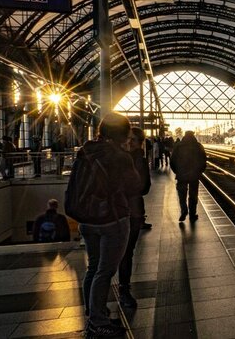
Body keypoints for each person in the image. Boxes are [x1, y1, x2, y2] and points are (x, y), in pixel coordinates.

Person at [70, 113, 141, 337]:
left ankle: (92, 313)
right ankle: (97, 322)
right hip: (112, 220)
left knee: (92, 268)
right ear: (123, 132)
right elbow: (135, 187)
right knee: (105, 271)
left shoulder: (86, 151)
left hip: (87, 219)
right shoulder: (119, 156)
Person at [118, 127, 151, 309]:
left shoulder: (138, 160)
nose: (130, 143)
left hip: (132, 213)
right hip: (123, 212)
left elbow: (144, 186)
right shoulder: (125, 158)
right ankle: (96, 307)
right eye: (128, 139)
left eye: (134, 140)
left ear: (140, 143)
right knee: (109, 258)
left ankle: (123, 289)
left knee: (126, 253)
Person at [170, 131, 206, 222]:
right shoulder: (198, 146)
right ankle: (192, 214)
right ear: (193, 135)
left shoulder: (178, 146)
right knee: (193, 195)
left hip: (181, 175)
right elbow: (204, 160)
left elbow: (172, 160)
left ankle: (184, 210)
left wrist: (177, 171)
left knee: (182, 195)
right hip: (194, 175)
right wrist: (199, 171)